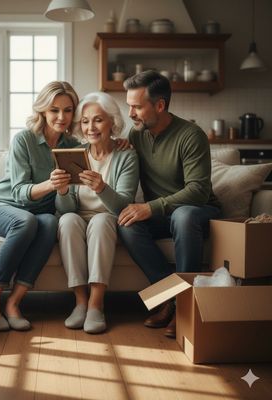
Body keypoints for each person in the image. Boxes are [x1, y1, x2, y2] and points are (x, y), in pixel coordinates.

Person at [117, 70, 222, 338]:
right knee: (126, 223)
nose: (131, 113)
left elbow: (198, 190)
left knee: (183, 216)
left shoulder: (191, 135)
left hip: (198, 212)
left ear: (160, 105)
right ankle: (173, 300)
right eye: (129, 106)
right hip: (166, 215)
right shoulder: (137, 134)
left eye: (137, 106)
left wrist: (151, 207)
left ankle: (184, 310)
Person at [0, 81, 80, 331]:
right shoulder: (24, 139)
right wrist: (50, 184)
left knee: (50, 221)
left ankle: (13, 303)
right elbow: (19, 193)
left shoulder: (73, 147)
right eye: (54, 110)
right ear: (43, 110)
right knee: (27, 220)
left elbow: (67, 209)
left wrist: (122, 143)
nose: (61, 117)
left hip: (36, 215)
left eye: (68, 110)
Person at [56, 92, 138, 334]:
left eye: (98, 120)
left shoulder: (126, 155)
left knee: (101, 220)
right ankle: (80, 302)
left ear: (112, 121)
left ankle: (96, 304)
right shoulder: (73, 154)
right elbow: (67, 208)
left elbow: (124, 206)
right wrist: (61, 192)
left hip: (109, 218)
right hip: (79, 217)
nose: (90, 127)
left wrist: (101, 187)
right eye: (85, 121)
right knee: (68, 220)